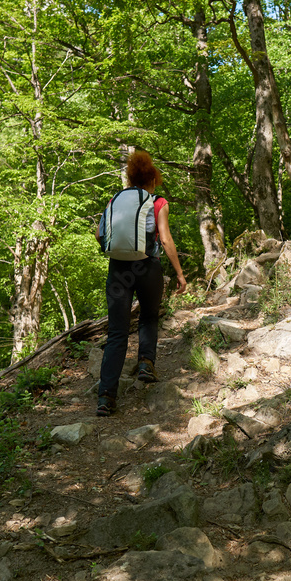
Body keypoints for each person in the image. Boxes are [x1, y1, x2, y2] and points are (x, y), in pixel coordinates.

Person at [96, 150, 187, 417]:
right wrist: (180, 274)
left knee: (116, 333)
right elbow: (167, 240)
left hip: (118, 270)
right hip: (147, 266)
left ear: (131, 176)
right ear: (153, 178)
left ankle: (105, 398)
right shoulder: (158, 202)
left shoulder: (114, 200)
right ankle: (146, 364)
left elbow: (101, 235)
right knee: (148, 318)